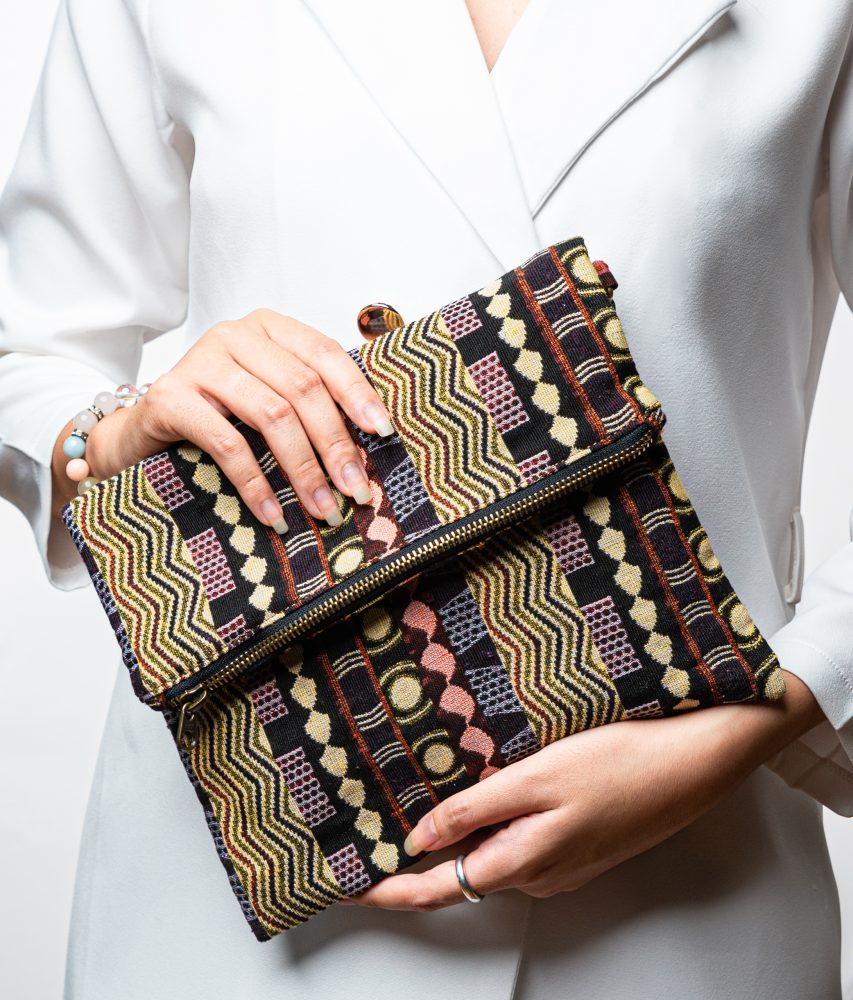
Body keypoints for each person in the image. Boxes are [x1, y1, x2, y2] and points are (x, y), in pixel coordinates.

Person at [1, 0, 851, 996]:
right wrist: (112, 429)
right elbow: (27, 344)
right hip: (237, 866)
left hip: (683, 887)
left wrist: (764, 714)